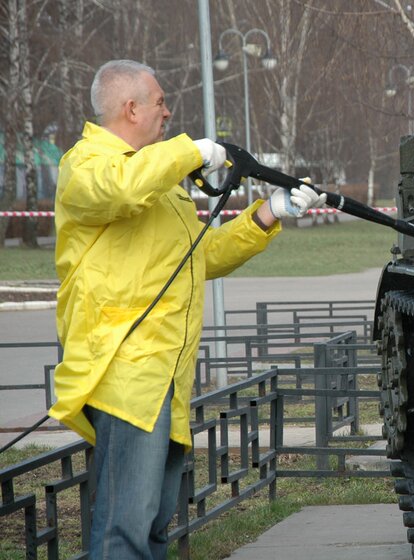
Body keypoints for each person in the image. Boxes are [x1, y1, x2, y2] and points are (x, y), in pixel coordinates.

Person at [48, 59, 325, 559]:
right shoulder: (86, 165)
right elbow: (120, 188)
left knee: (152, 528)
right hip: (124, 376)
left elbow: (197, 260)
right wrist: (192, 151)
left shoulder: (156, 180)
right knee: (124, 531)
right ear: (130, 108)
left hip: (161, 380)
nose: (168, 111)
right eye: (159, 102)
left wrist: (266, 215)